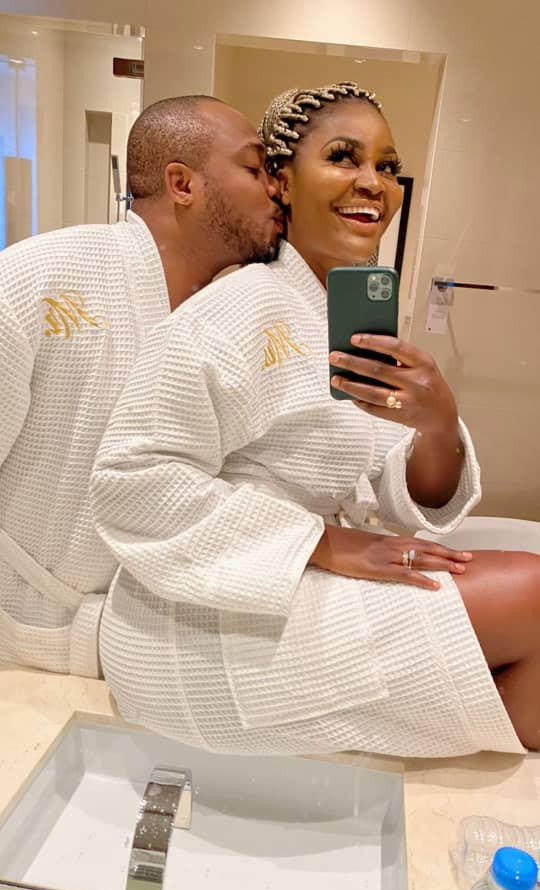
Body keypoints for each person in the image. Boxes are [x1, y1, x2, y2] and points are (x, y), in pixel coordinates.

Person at [91, 82, 540, 757]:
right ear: (282, 182)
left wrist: (437, 426)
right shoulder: (238, 307)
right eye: (343, 157)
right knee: (534, 597)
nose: (374, 183)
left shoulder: (341, 318)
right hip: (200, 623)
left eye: (386, 166)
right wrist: (326, 543)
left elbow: (399, 487)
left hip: (276, 587)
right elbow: (132, 481)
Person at [0, 94, 279, 678]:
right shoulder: (37, 280)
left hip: (150, 646)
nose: (276, 189)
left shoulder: (232, 317)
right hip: (20, 651)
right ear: (182, 184)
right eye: (256, 168)